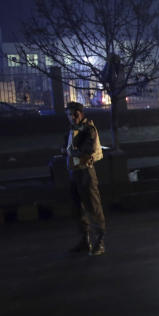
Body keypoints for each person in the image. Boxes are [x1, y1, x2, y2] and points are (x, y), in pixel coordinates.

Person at [65, 102, 107, 256]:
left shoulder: (88, 129)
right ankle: (86, 240)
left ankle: (99, 242)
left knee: (93, 207)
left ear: (81, 113)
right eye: (69, 114)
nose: (72, 117)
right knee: (78, 208)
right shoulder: (73, 129)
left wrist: (72, 152)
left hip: (85, 171)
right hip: (74, 172)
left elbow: (86, 151)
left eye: (75, 114)